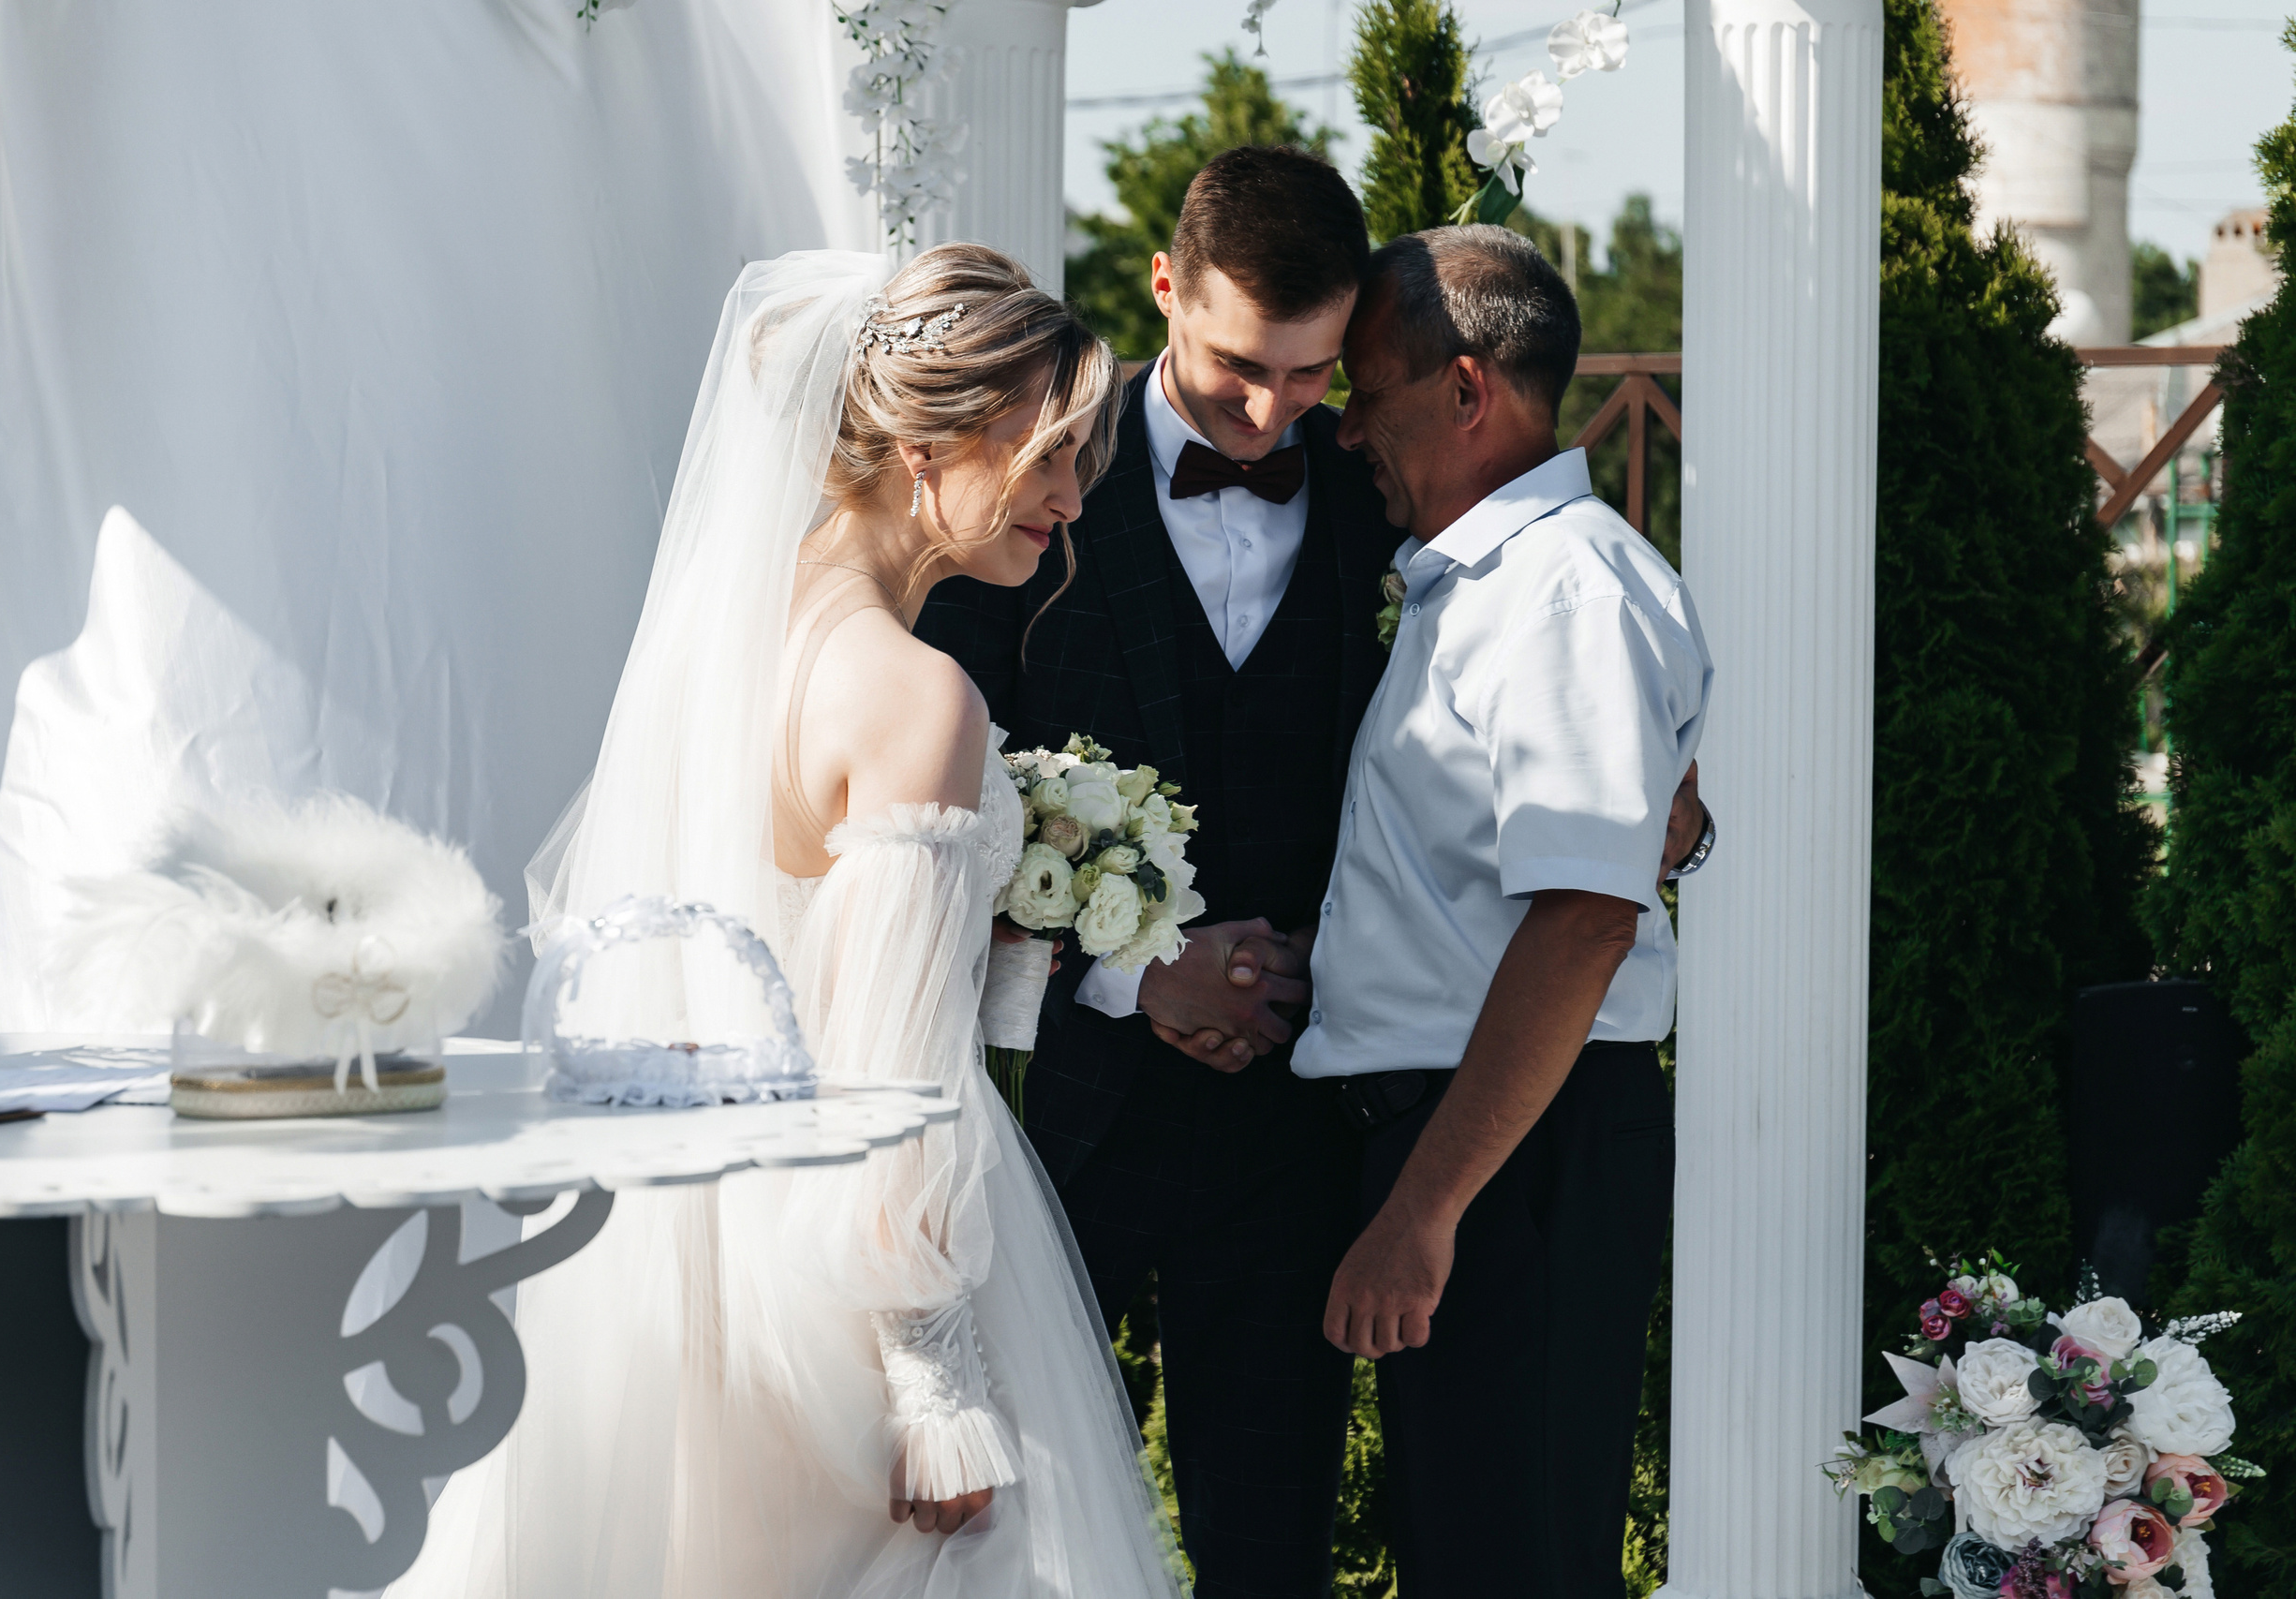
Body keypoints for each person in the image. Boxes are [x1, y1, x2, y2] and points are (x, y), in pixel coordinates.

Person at [389, 246, 1184, 1597]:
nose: (1070, 497)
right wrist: (935, 1382)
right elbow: (891, 1077)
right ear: (926, 443)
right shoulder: (918, 697)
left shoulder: (719, 644)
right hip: (850, 1270)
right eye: (1045, 451)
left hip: (680, 1239)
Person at [916, 146, 1400, 1598]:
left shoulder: (1382, 500)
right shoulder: (1029, 492)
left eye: (1313, 377)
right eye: (1242, 366)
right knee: (1031, 1545)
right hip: (1065, 1118)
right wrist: (1137, 968)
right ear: (1165, 288)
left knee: (1273, 1553)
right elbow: (943, 793)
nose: (1272, 414)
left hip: (1295, 1131)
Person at [1292, 225, 1713, 1598]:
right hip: (1479, 1137)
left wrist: (1425, 1209)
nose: (1349, 429)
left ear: (1467, 391)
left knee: (1514, 1561)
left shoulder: (1564, 594)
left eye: (1367, 389)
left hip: (1511, 1159)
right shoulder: (1485, 581)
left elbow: (1585, 921)